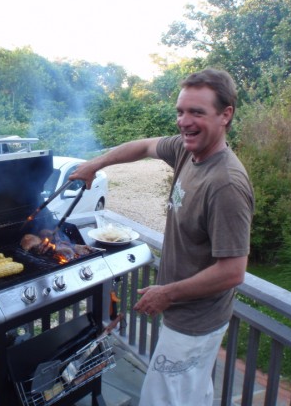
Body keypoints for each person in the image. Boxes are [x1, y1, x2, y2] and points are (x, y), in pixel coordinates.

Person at [69, 68, 255, 405]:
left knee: (163, 399)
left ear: (225, 115)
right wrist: (95, 164)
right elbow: (141, 146)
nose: (184, 121)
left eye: (197, 112)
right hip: (190, 318)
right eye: (181, 111)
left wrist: (167, 293)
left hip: (194, 321)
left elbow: (232, 271)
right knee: (193, 393)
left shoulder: (225, 183)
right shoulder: (188, 151)